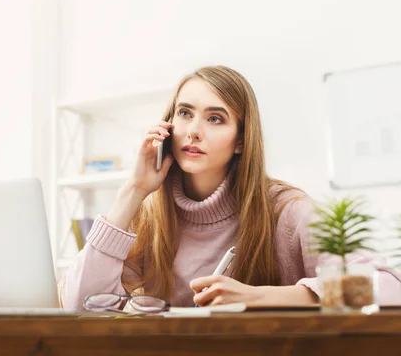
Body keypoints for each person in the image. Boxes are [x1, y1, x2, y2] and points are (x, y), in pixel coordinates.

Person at [60, 65, 401, 310]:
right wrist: (132, 192)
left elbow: (387, 287)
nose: (193, 130)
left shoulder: (287, 210)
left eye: (215, 118)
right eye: (184, 113)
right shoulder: (150, 215)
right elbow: (80, 306)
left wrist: (259, 297)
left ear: (240, 140)